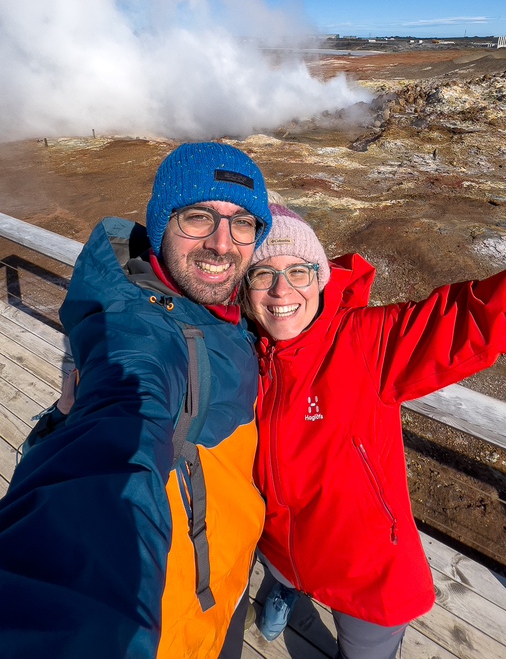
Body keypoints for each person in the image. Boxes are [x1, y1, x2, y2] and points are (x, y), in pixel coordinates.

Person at [0, 141, 271, 659]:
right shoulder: (139, 338)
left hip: (226, 576)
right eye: (198, 216)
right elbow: (116, 448)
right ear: (159, 223)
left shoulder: (220, 305)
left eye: (243, 224)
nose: (222, 243)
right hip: (169, 619)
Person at [243, 203, 506, 659]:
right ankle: (285, 592)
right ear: (245, 289)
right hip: (278, 545)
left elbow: (468, 319)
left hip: (367, 574)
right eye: (262, 273)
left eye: (299, 271)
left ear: (321, 277)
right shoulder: (242, 349)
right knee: (281, 572)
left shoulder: (366, 342)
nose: (281, 289)